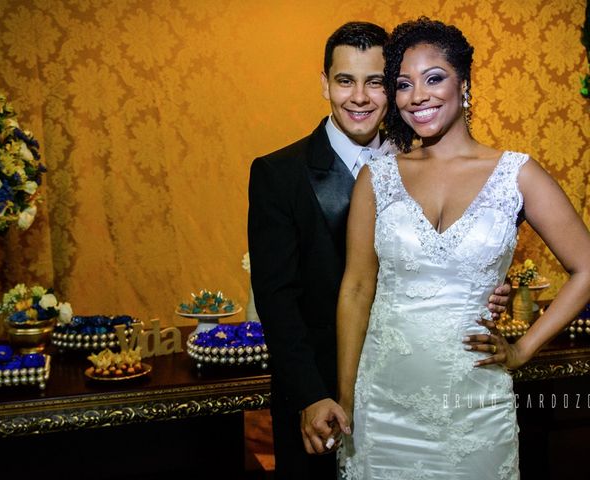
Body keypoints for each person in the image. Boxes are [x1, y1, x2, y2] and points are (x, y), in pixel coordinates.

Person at [247, 21, 511, 479]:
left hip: (423, 388)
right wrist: (312, 394)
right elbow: (277, 300)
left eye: (376, 82)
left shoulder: (429, 160)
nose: (360, 97)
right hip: (322, 392)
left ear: (393, 87)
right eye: (345, 80)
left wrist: (482, 281)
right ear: (324, 83)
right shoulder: (279, 174)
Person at [330, 17, 590, 479]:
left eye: (434, 79)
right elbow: (355, 288)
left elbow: (587, 268)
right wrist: (346, 395)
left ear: (464, 83)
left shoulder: (517, 175)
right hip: (381, 407)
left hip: (474, 406)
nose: (418, 97)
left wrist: (523, 349)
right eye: (404, 84)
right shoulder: (378, 177)